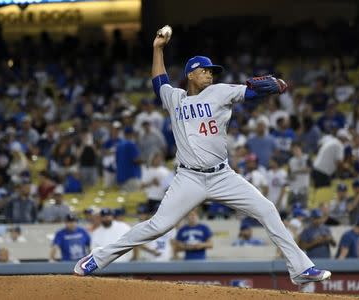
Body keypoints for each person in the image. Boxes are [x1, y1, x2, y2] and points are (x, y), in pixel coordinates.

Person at [74, 26, 331, 285]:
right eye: (204, 70)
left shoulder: (219, 92)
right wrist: (158, 48)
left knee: (267, 209)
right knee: (157, 226)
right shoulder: (175, 98)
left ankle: (299, 268)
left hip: (222, 176)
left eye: (211, 71)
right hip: (189, 179)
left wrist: (273, 85)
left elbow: (250, 91)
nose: (210, 74)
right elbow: (158, 81)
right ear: (190, 75)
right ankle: (97, 259)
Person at [288, 142, 311, 208]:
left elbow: (309, 169)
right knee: (291, 208)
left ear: (300, 149)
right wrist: (291, 176)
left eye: (297, 149)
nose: (295, 151)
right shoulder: (291, 160)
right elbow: (289, 174)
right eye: (294, 149)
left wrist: (296, 171)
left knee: (303, 208)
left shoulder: (306, 158)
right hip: (293, 188)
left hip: (303, 188)